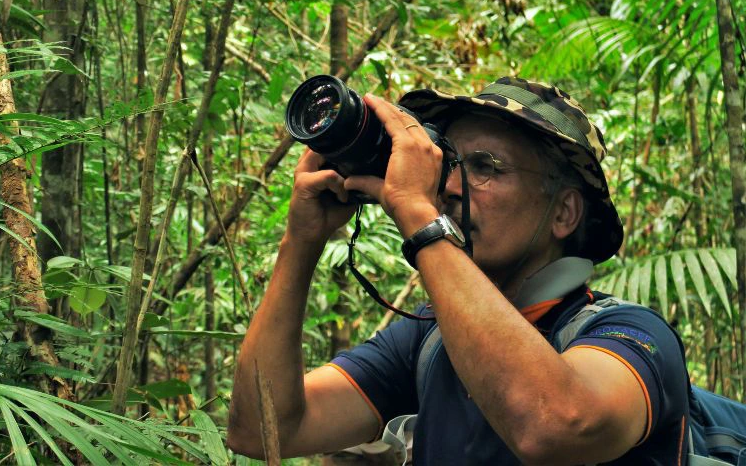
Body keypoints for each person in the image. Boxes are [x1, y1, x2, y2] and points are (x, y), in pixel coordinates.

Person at [227, 77, 690, 465]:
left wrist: (419, 219)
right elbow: (262, 430)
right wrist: (301, 241)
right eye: (449, 163)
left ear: (563, 214)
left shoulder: (630, 335)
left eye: (485, 167)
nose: (448, 187)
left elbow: (555, 425)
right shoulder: (426, 341)